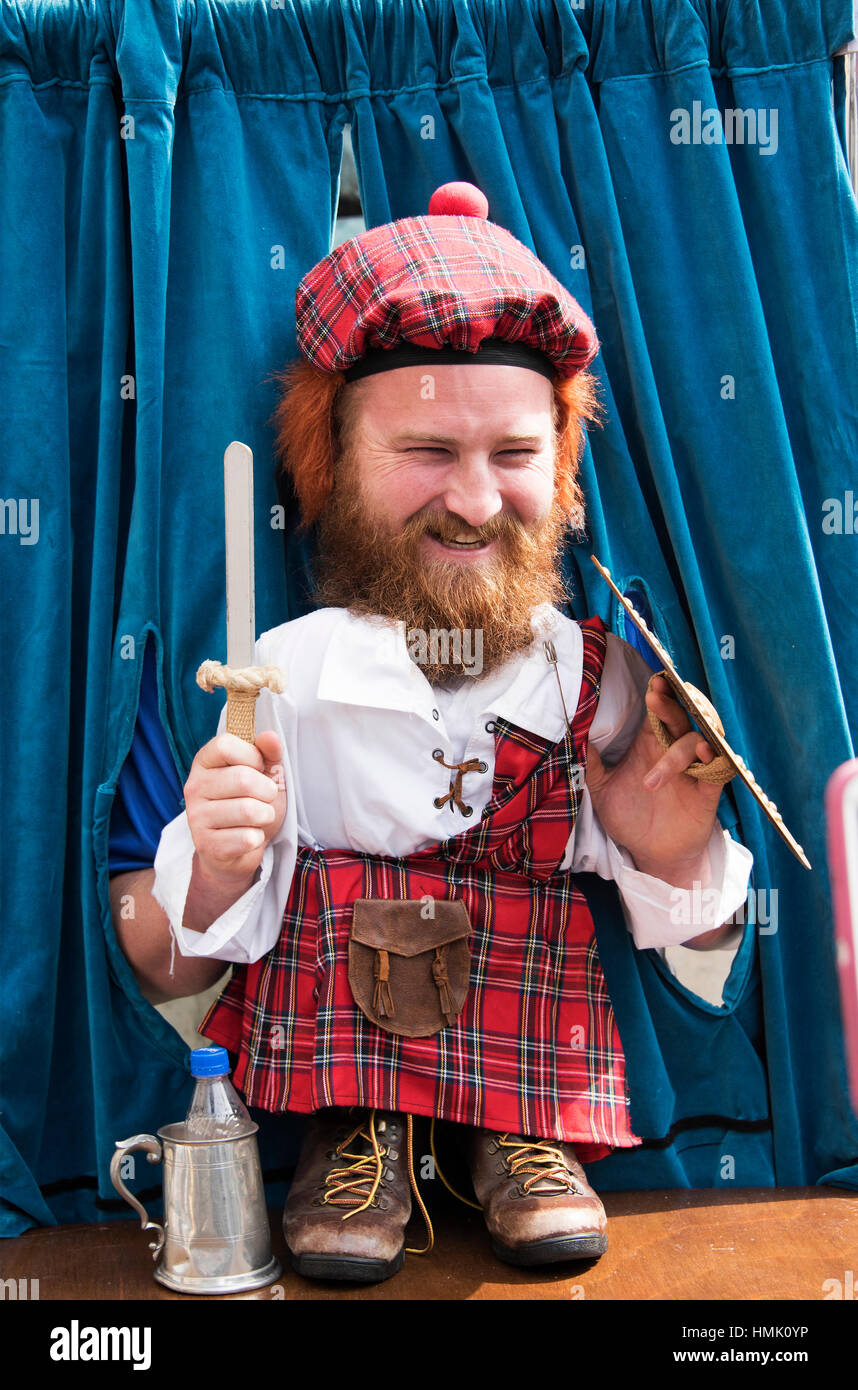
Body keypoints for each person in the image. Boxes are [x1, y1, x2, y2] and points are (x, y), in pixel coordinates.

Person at [144, 182, 752, 1283]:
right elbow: (199, 935)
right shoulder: (288, 667)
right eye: (427, 448)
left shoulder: (599, 675)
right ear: (333, 460)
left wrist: (665, 847)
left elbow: (705, 959)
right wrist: (219, 857)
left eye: (515, 455)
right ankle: (363, 1127)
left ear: (562, 470)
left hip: (534, 1037)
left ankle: (515, 1133)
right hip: (344, 1028)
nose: (474, 503)